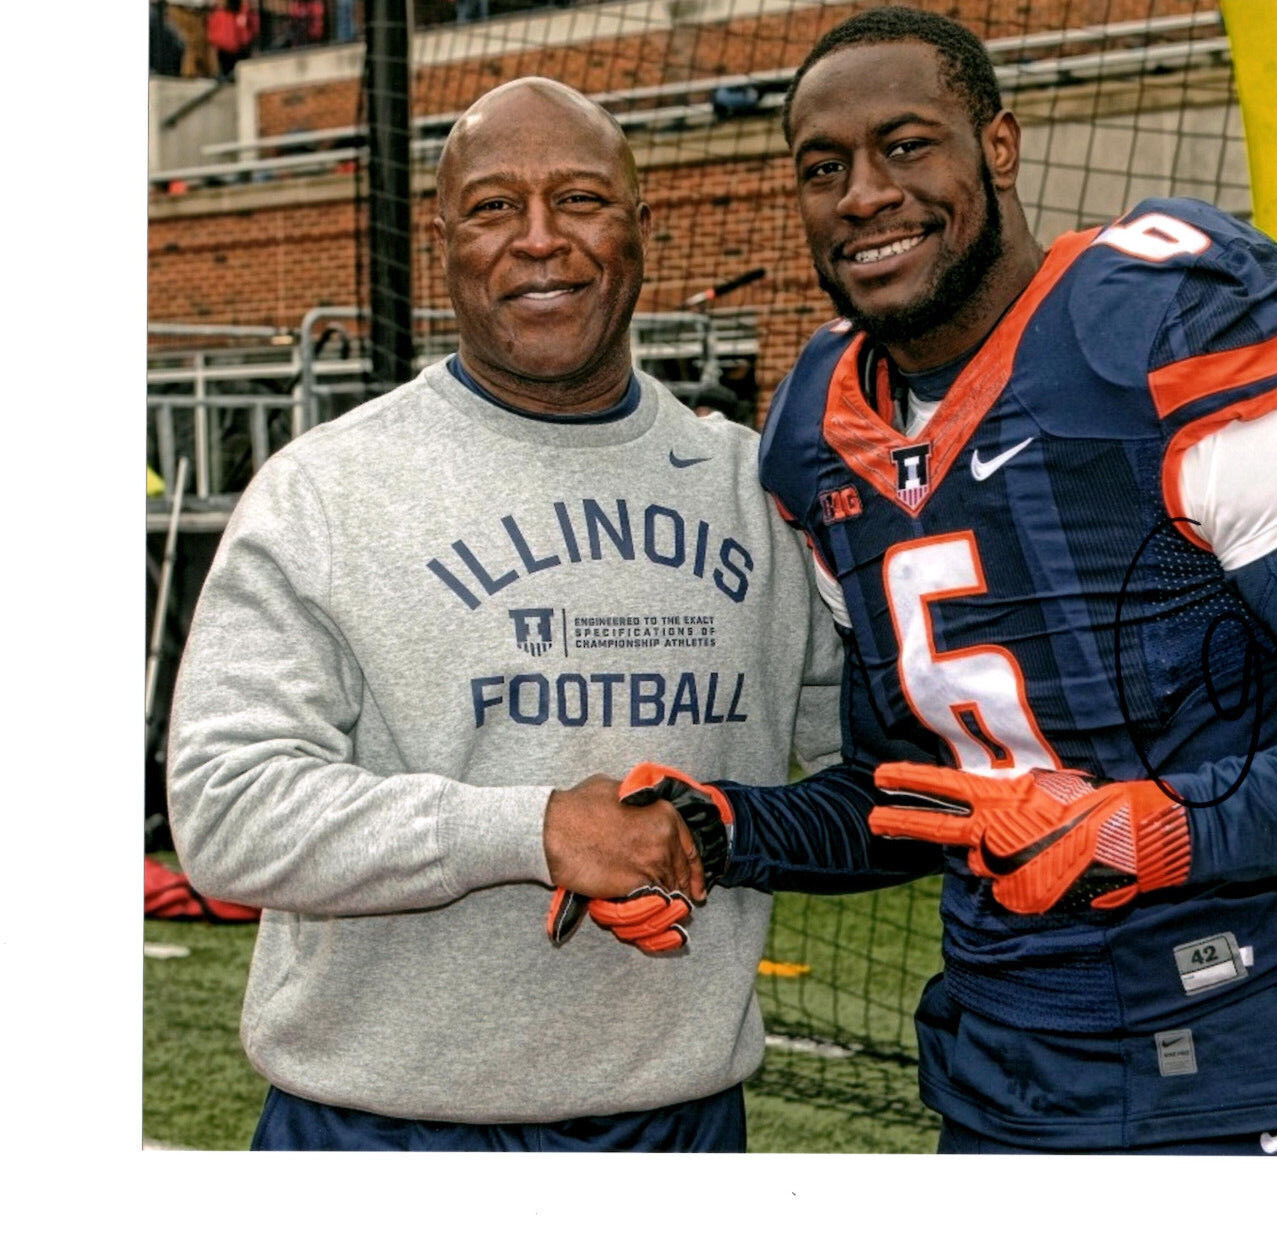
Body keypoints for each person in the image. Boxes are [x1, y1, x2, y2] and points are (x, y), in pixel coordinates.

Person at [603, 7, 1277, 1154]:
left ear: (997, 146)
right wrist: (723, 829)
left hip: (1245, 1076)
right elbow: (922, 800)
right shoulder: (816, 431)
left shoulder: (1155, 330)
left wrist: (1151, 831)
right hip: (1004, 1083)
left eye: (907, 146)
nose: (864, 194)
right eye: (822, 167)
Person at [166, 76, 844, 1152]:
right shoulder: (327, 492)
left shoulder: (750, 491)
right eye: (492, 207)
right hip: (377, 1133)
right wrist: (531, 829)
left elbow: (876, 750)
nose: (539, 241)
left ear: (640, 229)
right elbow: (227, 811)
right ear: (440, 242)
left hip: (674, 1128)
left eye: (580, 200)